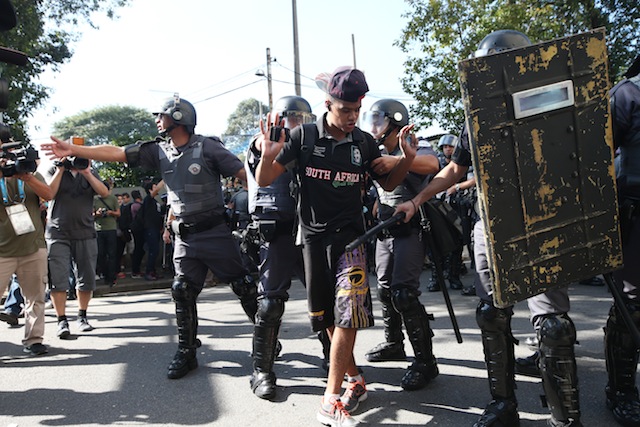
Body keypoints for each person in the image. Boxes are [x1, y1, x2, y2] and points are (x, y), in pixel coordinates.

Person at [395, 30, 582, 427]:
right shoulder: (477, 112)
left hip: (545, 220)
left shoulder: (557, 96)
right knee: (491, 314)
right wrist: (417, 199)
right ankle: (503, 405)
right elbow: (456, 169)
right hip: (492, 225)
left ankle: (565, 416)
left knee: (552, 323)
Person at [42, 95, 259, 380]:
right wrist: (71, 148)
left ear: (179, 118)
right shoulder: (159, 151)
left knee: (243, 285)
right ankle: (186, 350)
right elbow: (118, 152)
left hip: (215, 233)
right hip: (185, 236)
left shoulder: (208, 148)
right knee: (182, 290)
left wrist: (260, 210)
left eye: (162, 115)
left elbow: (249, 176)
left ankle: (266, 340)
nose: (157, 119)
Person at [255, 67, 416, 426]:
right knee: (326, 318)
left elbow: (388, 181)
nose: (352, 117)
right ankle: (356, 381)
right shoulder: (304, 138)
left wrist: (404, 159)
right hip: (313, 240)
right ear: (328, 103)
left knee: (348, 314)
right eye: (346, 109)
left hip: (351, 241)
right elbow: (266, 179)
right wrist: (269, 153)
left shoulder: (363, 142)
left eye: (357, 109)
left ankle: (330, 400)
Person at [360, 99, 441, 390]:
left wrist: (400, 159)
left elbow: (433, 164)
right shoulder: (377, 151)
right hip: (384, 231)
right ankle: (394, 343)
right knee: (384, 291)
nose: (373, 126)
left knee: (404, 294)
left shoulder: (412, 144)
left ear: (395, 123)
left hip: (410, 230)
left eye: (379, 120)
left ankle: (425, 362)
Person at [244, 95, 321, 400]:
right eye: (291, 119)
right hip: (276, 230)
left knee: (324, 299)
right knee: (269, 304)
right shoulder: (264, 143)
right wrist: (270, 146)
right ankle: (262, 370)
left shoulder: (315, 143)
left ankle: (336, 359)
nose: (296, 126)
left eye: (302, 120)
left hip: (310, 229)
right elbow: (266, 153)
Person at [603, 53, 640, 427]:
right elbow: (596, 155)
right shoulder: (627, 94)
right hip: (634, 213)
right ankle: (622, 390)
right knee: (633, 305)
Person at [0, 127, 53, 355]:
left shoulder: (25, 169)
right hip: (2, 250)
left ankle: (34, 340)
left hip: (32, 246)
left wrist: (28, 177)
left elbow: (49, 194)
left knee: (36, 298)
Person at [46, 153, 109, 338]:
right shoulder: (55, 169)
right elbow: (49, 192)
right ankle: (61, 320)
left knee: (87, 276)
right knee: (58, 278)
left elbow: (104, 192)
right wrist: (61, 168)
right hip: (58, 232)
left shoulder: (90, 171)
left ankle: (82, 316)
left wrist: (87, 172)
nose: (75, 159)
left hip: (85, 232)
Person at [427, 134, 464, 292]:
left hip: (457, 207)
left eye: (450, 146)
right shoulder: (437, 164)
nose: (447, 149)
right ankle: (437, 279)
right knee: (436, 245)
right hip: (438, 209)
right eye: (445, 147)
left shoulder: (463, 162)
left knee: (457, 244)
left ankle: (454, 277)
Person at [93, 179, 120, 287]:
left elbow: (118, 213)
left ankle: (112, 277)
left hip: (111, 229)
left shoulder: (112, 198)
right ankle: (104, 274)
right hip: (99, 229)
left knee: (112, 254)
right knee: (100, 254)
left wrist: (110, 212)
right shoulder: (95, 200)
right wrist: (97, 213)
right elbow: (91, 215)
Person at [140, 180, 164, 281]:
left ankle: (153, 271)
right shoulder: (148, 200)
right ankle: (149, 271)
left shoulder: (155, 201)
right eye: (154, 187)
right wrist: (164, 180)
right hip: (150, 228)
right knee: (153, 250)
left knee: (155, 250)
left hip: (155, 228)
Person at [128, 190, 144, 278]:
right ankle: (135, 270)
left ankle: (136, 269)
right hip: (139, 229)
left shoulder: (132, 205)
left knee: (138, 249)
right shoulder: (138, 206)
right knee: (138, 249)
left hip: (135, 229)